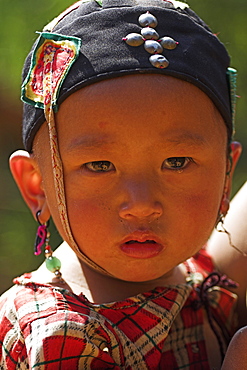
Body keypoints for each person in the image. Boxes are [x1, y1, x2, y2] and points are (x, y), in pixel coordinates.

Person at [0, 0, 246, 368]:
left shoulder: (195, 274)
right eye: (100, 165)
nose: (142, 203)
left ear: (226, 175)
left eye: (176, 162)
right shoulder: (61, 335)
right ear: (37, 186)